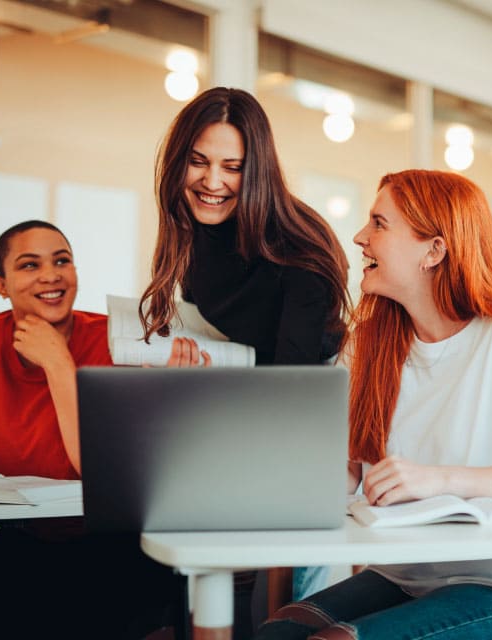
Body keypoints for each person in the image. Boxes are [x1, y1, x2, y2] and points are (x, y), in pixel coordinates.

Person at [256, 170, 492, 640]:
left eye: (379, 223)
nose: (360, 237)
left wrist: (439, 480)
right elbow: (351, 470)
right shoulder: (371, 346)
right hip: (400, 576)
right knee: (277, 633)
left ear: (434, 250)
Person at [138, 86, 352, 631]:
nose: (212, 182)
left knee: (281, 615)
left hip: (310, 432)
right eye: (198, 161)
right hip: (243, 418)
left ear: (257, 169)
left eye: (232, 167)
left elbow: (294, 391)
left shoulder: (299, 245)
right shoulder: (193, 232)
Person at [0, 220, 183, 639]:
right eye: (29, 265)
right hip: (15, 543)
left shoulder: (121, 342)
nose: (51, 275)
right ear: (1, 286)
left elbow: (101, 472)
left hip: (111, 542)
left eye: (62, 261)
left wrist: (59, 363)